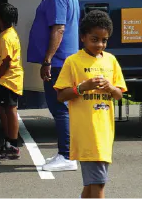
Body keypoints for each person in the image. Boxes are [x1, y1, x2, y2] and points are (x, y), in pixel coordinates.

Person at [54, 10, 126, 199]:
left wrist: (110, 87)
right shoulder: (73, 62)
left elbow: (119, 95)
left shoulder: (111, 60)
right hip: (87, 133)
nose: (100, 45)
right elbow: (61, 96)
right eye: (95, 39)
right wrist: (82, 87)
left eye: (104, 40)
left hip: (105, 132)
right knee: (99, 184)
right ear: (83, 37)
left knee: (92, 183)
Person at [29, 0, 82, 172]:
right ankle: (65, 152)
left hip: (59, 61)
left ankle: (67, 155)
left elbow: (58, 28)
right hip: (64, 60)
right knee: (61, 108)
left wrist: (47, 60)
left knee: (60, 108)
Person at [0, 2, 25, 160]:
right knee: (1, 108)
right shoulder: (7, 33)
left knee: (10, 110)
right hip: (7, 80)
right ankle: (8, 141)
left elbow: (7, 63)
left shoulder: (6, 37)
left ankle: (13, 145)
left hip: (8, 80)